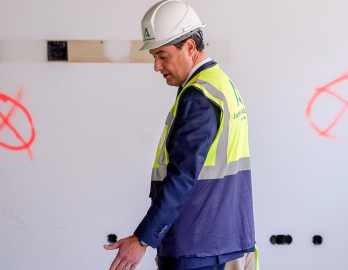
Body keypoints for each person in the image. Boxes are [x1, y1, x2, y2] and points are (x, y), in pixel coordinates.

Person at [104, 1, 258, 269]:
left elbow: (182, 177)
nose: (156, 66)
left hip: (200, 249)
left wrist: (142, 239)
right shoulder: (221, 84)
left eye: (163, 56)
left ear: (189, 46)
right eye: (154, 56)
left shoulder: (199, 96)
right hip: (227, 241)